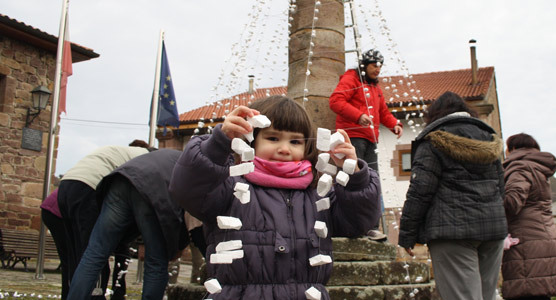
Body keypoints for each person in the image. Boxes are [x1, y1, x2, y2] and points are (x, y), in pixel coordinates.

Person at [170, 95, 381, 299]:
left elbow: (359, 222)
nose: (284, 149)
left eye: (295, 142)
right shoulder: (229, 187)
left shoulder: (320, 194)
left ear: (307, 147)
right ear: (251, 141)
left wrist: (356, 177)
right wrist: (217, 145)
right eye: (272, 138)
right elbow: (187, 189)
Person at [398, 91, 507, 300]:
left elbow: (420, 191)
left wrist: (407, 235)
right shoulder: (490, 140)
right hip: (493, 232)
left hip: (452, 232)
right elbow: (501, 188)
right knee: (486, 296)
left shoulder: (433, 141)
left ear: (435, 114)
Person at [66, 148, 189, 300]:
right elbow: (181, 215)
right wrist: (178, 246)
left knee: (95, 253)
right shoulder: (198, 168)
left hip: (121, 181)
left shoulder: (173, 156)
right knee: (156, 261)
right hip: (153, 187)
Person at [57, 141, 150, 298]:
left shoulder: (124, 152)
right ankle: (95, 296)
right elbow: (143, 200)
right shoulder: (149, 159)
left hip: (66, 185)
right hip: (89, 187)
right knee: (95, 254)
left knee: (78, 254)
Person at [329, 48, 402, 242]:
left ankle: (371, 227)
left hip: (370, 139)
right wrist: (358, 115)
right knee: (350, 180)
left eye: (380, 66)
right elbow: (336, 101)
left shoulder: (375, 88)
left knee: (371, 181)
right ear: (364, 65)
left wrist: (394, 124)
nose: (377, 69)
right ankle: (349, 222)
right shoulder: (352, 78)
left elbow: (383, 112)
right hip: (352, 138)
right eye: (373, 65)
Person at [500, 133, 556, 300]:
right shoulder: (537, 168)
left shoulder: (520, 167)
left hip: (526, 243)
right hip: (542, 238)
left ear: (513, 148)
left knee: (527, 293)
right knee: (539, 292)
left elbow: (512, 202)